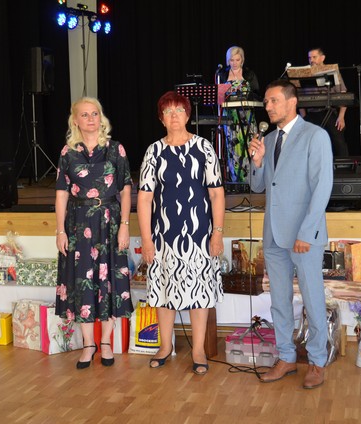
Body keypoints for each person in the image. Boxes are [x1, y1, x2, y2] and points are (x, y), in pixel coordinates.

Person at [248, 79, 333, 389]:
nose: (268, 106)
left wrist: (307, 232)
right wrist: (257, 162)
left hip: (303, 235)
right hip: (274, 234)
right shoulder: (269, 140)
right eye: (266, 102)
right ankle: (286, 357)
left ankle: (317, 362)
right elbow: (258, 186)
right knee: (279, 301)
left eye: (273, 101)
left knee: (312, 299)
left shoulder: (315, 136)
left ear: (292, 102)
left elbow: (322, 187)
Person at [137, 91, 225, 375]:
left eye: (179, 110)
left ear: (188, 115)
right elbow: (144, 199)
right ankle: (165, 346)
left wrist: (217, 233)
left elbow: (216, 194)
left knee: (199, 292)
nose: (174, 116)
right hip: (163, 236)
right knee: (164, 291)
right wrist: (147, 240)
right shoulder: (154, 151)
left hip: (199, 235)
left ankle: (198, 350)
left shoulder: (204, 147)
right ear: (161, 118)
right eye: (168, 111)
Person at [54, 97, 133, 370]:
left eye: (95, 113)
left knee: (110, 280)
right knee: (82, 282)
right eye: (85, 115)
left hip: (110, 221)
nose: (90, 119)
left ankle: (106, 342)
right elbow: (61, 194)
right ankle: (89, 344)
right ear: (75, 121)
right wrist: (60, 231)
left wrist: (125, 225)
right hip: (78, 224)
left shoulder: (115, 149)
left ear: (102, 118)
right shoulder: (68, 153)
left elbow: (125, 190)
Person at [216, 46, 261, 187]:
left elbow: (257, 94)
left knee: (249, 144)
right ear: (227, 60)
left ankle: (252, 181)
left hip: (246, 115)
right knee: (233, 147)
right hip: (230, 116)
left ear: (242, 60)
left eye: (237, 59)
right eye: (231, 60)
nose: (234, 63)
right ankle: (236, 181)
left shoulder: (249, 74)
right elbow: (218, 97)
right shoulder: (222, 75)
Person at [299, 47, 350, 157]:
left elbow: (343, 95)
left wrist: (341, 117)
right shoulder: (303, 74)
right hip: (311, 114)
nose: (311, 60)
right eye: (309, 58)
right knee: (309, 142)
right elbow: (299, 98)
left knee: (338, 140)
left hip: (329, 111)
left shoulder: (332, 71)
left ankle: (343, 165)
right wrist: (303, 117)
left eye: (314, 57)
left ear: (322, 58)